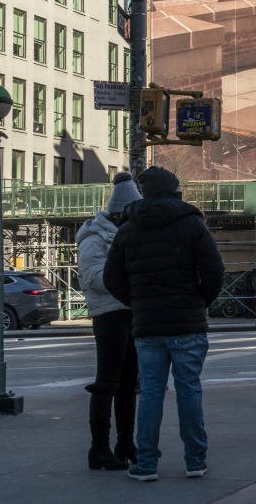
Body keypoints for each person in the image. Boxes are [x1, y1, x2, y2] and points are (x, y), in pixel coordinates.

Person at [105, 167, 225, 482]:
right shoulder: (192, 223)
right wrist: (200, 301)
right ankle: (195, 461)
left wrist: (137, 303)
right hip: (188, 323)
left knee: (151, 394)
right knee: (189, 391)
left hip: (147, 325)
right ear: (174, 191)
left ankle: (146, 464)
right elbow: (214, 271)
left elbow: (111, 278)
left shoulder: (128, 229)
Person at [75, 173, 142, 470]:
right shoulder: (94, 238)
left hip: (129, 312)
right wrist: (130, 276)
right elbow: (91, 278)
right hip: (109, 316)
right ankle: (98, 449)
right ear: (120, 213)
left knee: (128, 384)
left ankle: (125, 444)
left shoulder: (125, 235)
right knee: (107, 382)